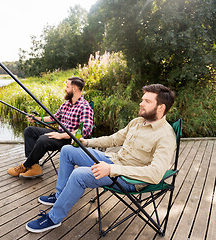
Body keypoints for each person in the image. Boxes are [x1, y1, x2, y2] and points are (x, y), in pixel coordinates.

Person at [26, 83, 177, 233]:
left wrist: (111, 169)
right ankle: (60, 197)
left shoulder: (165, 136)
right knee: (67, 150)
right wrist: (86, 142)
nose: (141, 103)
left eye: (147, 101)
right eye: (142, 99)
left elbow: (155, 174)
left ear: (160, 108)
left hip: (129, 178)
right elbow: (113, 140)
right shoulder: (137, 122)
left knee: (79, 175)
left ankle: (53, 218)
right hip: (113, 161)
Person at [7, 77, 94, 178]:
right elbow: (55, 117)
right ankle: (34, 166)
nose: (65, 89)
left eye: (67, 87)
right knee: (29, 131)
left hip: (70, 140)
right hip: (59, 133)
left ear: (74, 89)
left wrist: (62, 136)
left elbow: (85, 130)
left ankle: (25, 165)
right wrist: (36, 119)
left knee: (43, 140)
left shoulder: (85, 107)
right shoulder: (67, 104)